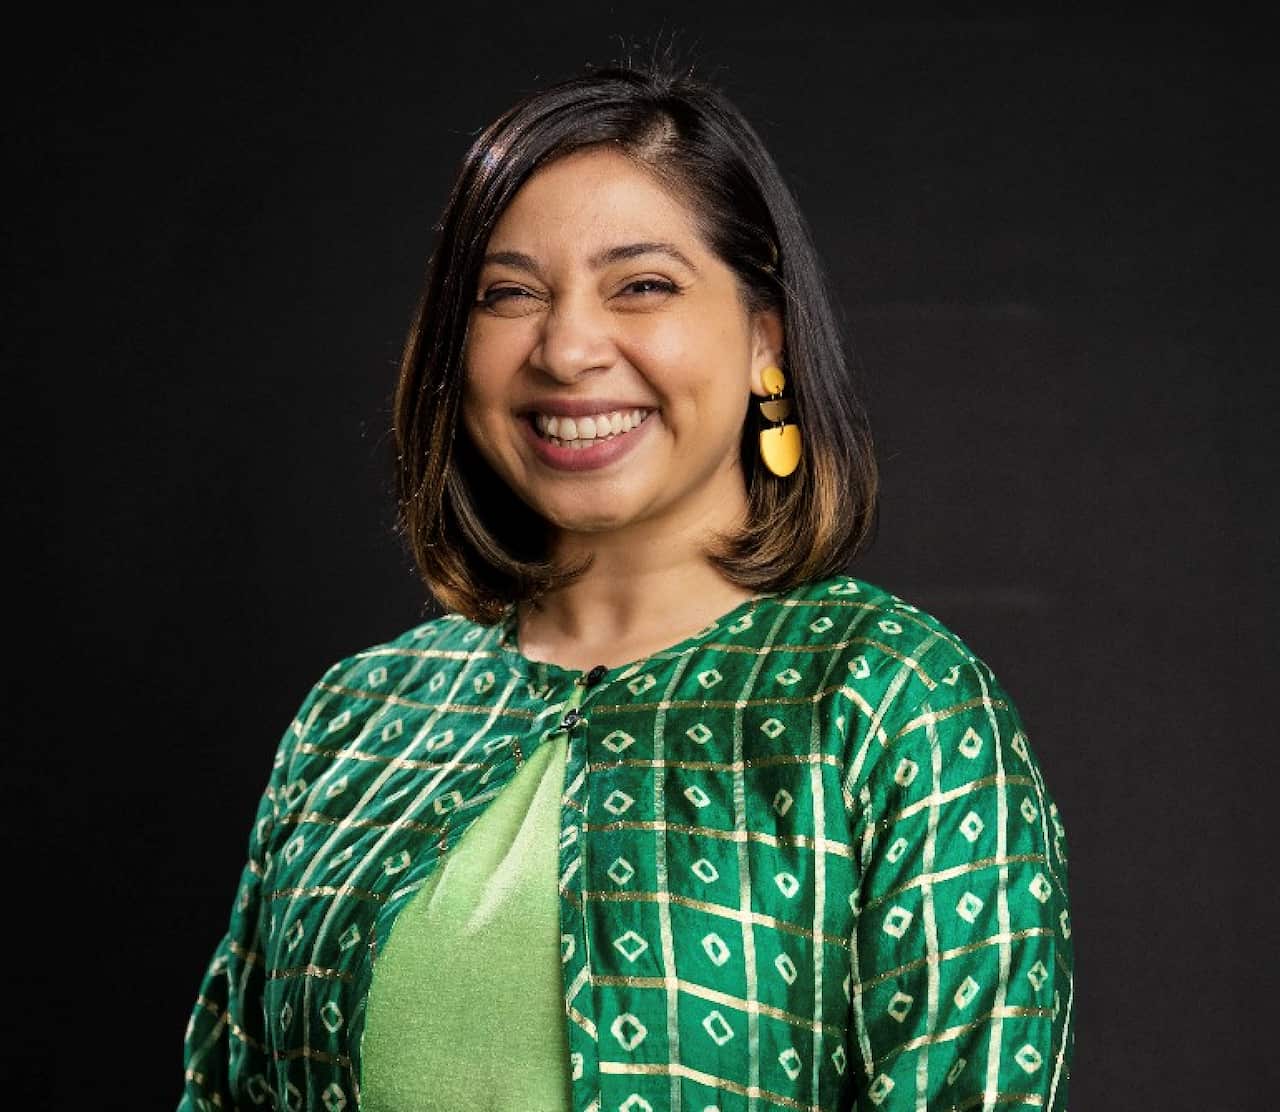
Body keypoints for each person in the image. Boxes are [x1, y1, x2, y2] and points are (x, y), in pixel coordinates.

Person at [179, 60, 1073, 1112]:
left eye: (640, 285)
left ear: (762, 337)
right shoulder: (356, 719)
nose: (564, 348)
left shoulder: (889, 703)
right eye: (508, 295)